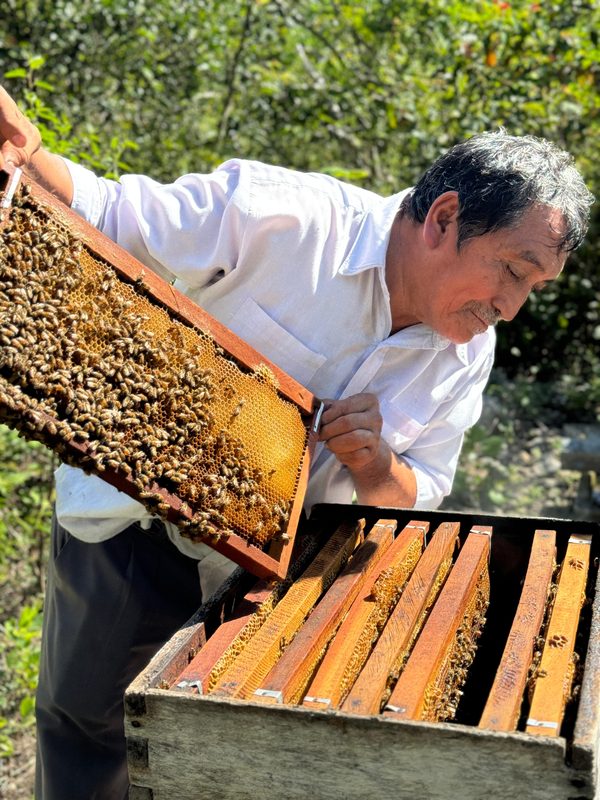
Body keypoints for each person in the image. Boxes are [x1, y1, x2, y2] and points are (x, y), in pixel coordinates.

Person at [0, 84, 593, 800]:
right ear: (444, 218)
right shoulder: (279, 216)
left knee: (214, 770)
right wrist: (31, 156)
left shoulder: (468, 355)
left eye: (534, 287)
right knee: (91, 738)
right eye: (513, 270)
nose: (511, 306)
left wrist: (377, 466)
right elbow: (110, 211)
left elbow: (420, 494)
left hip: (277, 584)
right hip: (134, 527)